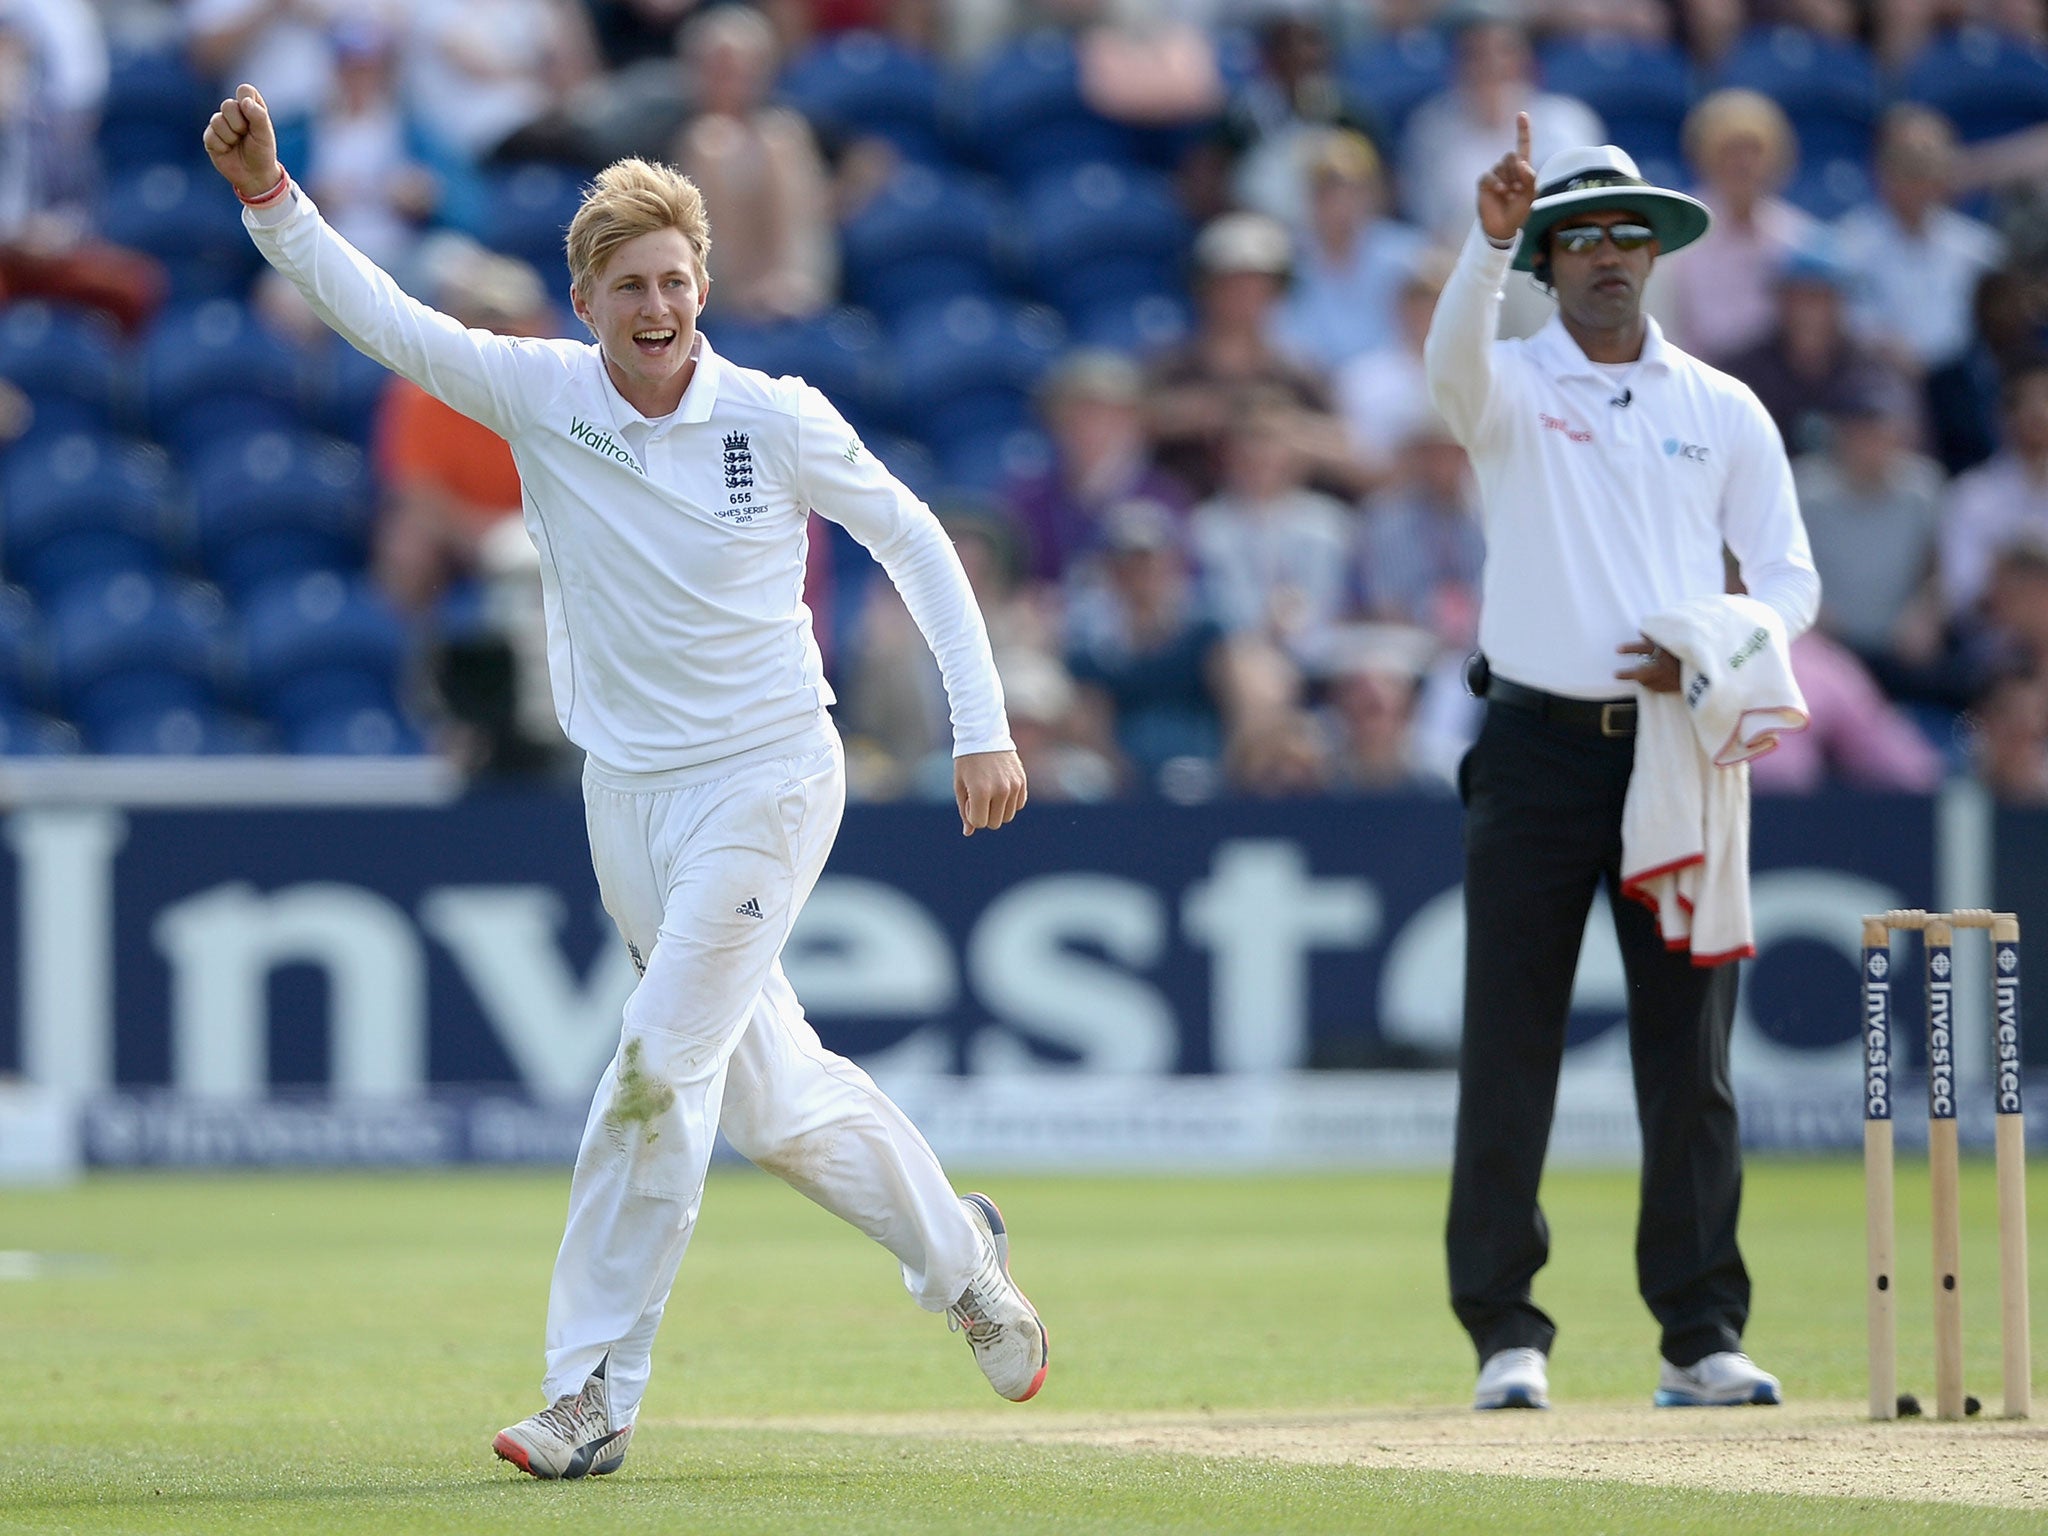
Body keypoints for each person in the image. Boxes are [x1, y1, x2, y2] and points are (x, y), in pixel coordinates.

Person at [204, 83, 1046, 1479]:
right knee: (771, 1104)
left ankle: (591, 1391)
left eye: (677, 279)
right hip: (631, 801)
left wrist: (982, 722)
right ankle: (961, 1253)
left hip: (771, 774)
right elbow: (388, 320)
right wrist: (271, 199)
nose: (657, 305)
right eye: (629, 284)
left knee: (654, 1072)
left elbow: (916, 540)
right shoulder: (541, 394)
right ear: (584, 298)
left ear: (703, 285)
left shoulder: (772, 416)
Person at [1427, 117, 1819, 1413]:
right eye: (1579, 237)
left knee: (1689, 1054)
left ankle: (1701, 1334)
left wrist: (1716, 645)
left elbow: (1790, 582)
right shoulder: (1514, 384)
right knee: (1512, 1045)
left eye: (1624, 235)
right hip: (1536, 746)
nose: (1605, 255)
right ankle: (1505, 1333)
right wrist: (1488, 240)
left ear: (1654, 254)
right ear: (1547, 259)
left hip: (1678, 745)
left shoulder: (1722, 406)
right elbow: (1448, 364)